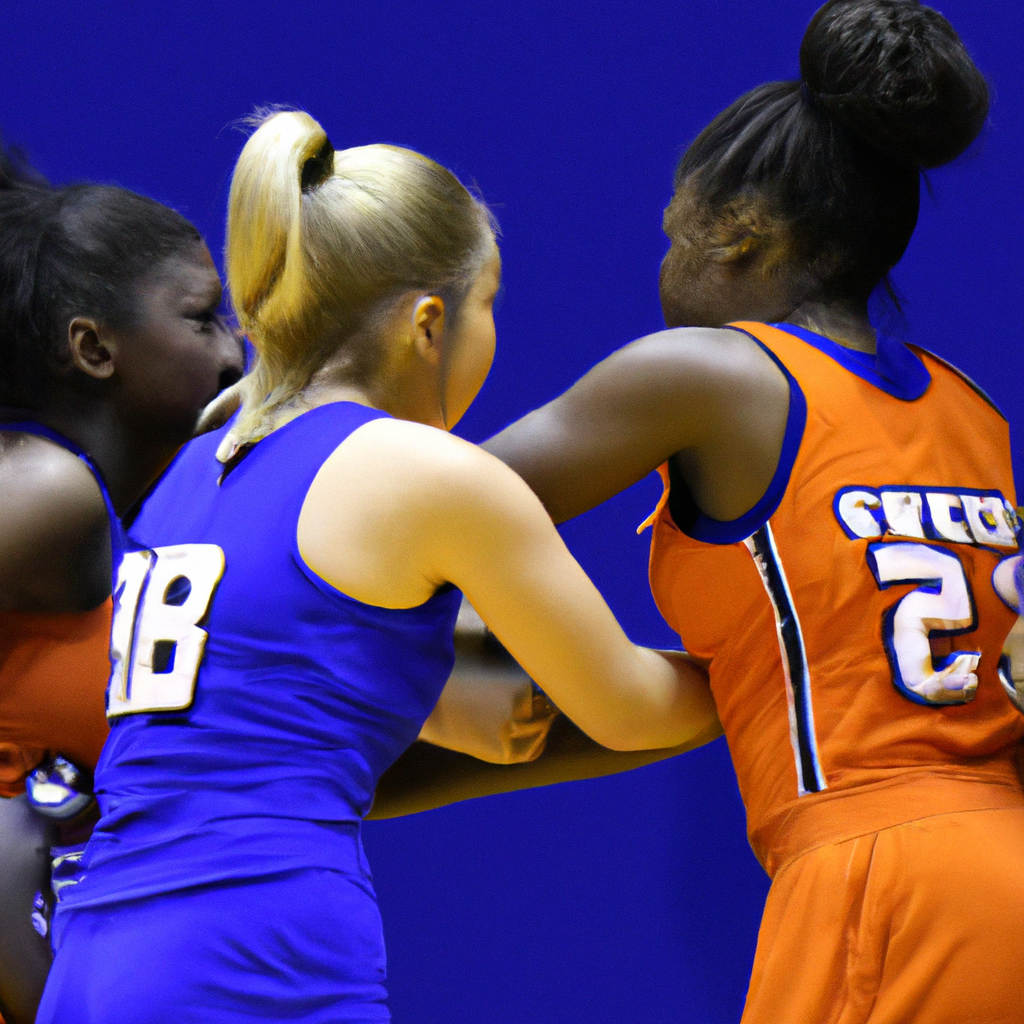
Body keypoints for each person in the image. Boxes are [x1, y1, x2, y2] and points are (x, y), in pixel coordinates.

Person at [35, 110, 719, 1024]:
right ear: (428, 323)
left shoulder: (196, 467)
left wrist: (444, 697)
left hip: (91, 955)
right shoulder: (425, 471)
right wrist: (798, 673)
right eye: (488, 307)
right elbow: (628, 706)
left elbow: (272, 672)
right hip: (254, 946)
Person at [473, 2, 1022, 1021]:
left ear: (741, 237)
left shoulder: (715, 372)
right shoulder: (974, 414)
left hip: (875, 876)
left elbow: (436, 503)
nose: (663, 268)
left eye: (674, 237)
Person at [0, 142, 245, 1024]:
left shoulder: (158, 539)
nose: (236, 353)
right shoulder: (45, 491)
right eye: (203, 318)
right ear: (94, 348)